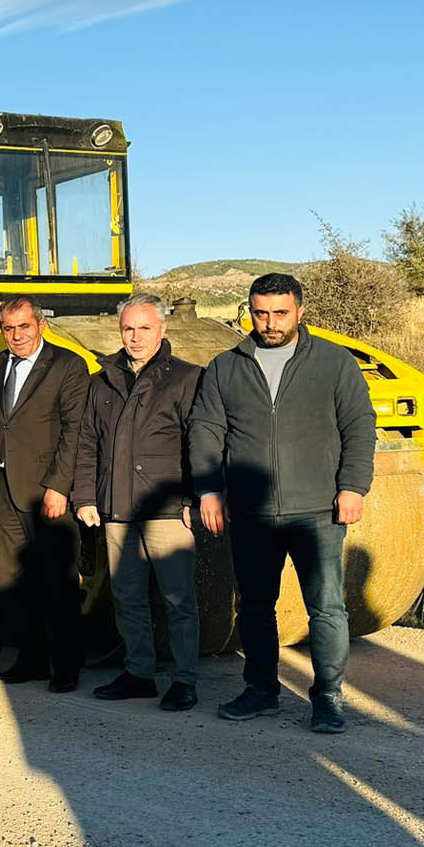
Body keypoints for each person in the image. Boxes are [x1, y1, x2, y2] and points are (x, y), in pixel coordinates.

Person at [190, 273, 375, 734]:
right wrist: (210, 489)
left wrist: (353, 486)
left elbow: (359, 426)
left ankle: (328, 698)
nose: (269, 322)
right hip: (251, 512)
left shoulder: (334, 363)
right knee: (254, 607)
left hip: (317, 512)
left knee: (327, 609)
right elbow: (206, 430)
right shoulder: (226, 367)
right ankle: (261, 691)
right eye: (260, 312)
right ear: (249, 311)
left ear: (300, 311)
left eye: (279, 312)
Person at [73, 294, 203, 712]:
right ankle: (139, 673)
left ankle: (184, 680)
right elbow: (88, 442)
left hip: (167, 511)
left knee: (178, 600)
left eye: (145, 328)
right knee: (127, 597)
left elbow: (198, 444)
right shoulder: (103, 380)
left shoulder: (186, 379)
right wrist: (87, 495)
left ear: (163, 330)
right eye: (129, 328)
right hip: (117, 509)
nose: (135, 336)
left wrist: (194, 499)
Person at [0, 296, 89, 690]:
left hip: (44, 493)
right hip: (0, 493)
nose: (16, 335)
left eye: (23, 327)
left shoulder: (68, 366)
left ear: (40, 326)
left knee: (57, 581)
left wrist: (58, 486)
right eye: (8, 328)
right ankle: (31, 659)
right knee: (15, 583)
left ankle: (66, 665)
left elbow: (75, 431)